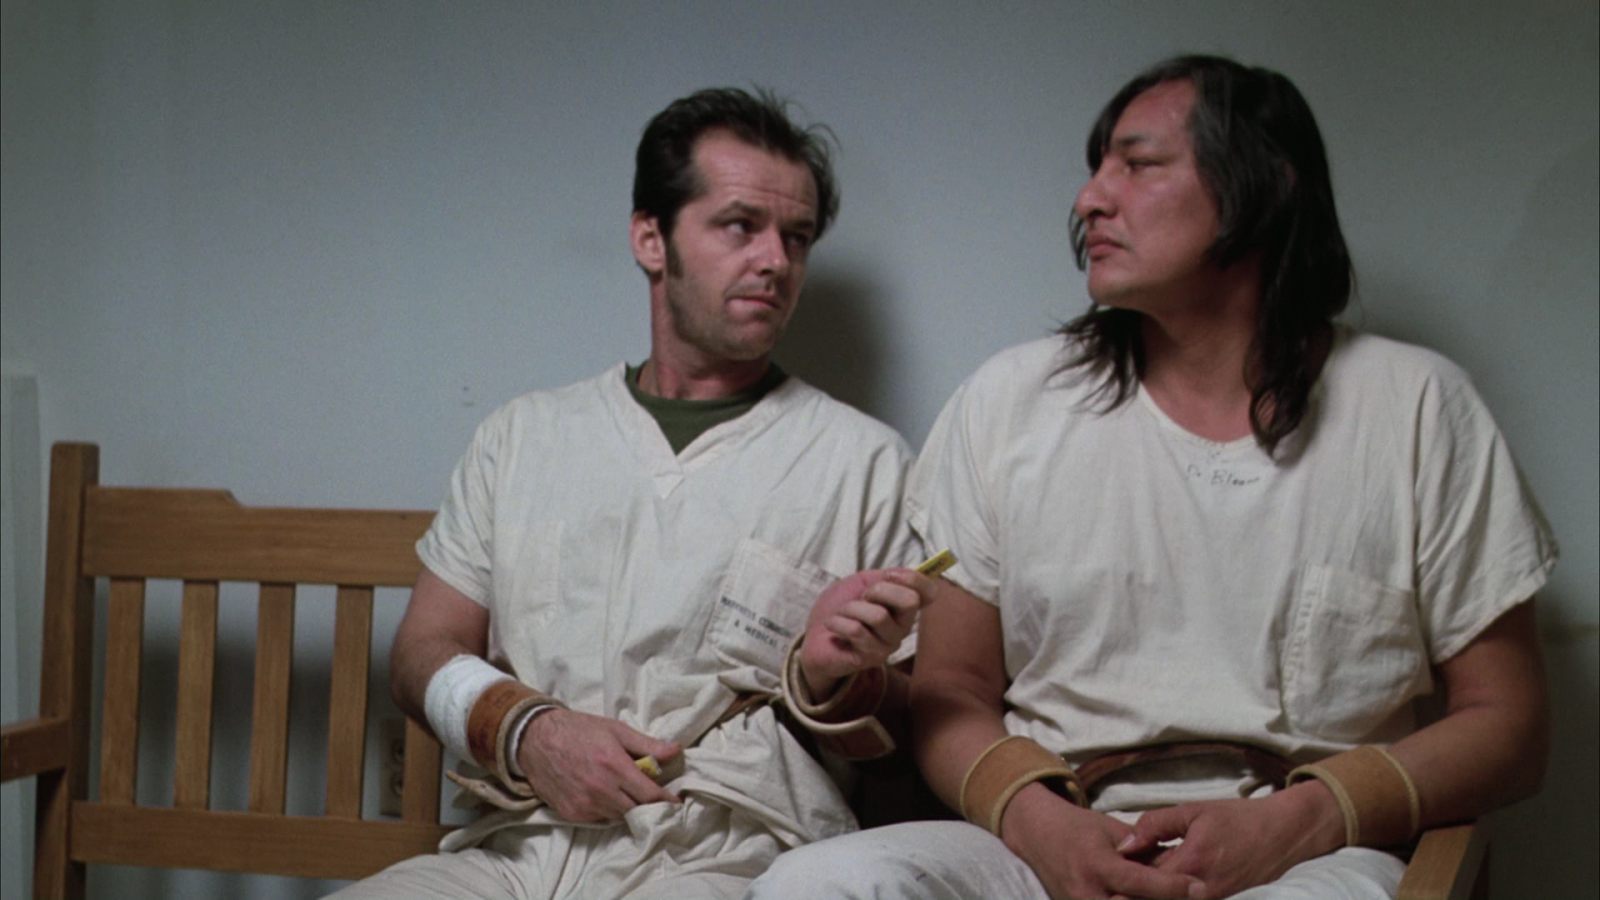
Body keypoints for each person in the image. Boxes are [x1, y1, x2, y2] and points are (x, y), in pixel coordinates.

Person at [745, 54, 1555, 900]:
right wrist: (1041, 827)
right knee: (813, 886)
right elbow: (952, 689)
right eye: (1096, 169)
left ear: (1263, 187)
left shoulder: (1416, 406)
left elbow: (1511, 726)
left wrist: (1304, 819)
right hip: (1053, 831)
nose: (1088, 199)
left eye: (1137, 165)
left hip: (1309, 852)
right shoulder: (1008, 402)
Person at [329, 87, 925, 900]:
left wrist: (837, 682)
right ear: (651, 238)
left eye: (797, 237)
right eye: (740, 225)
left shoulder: (864, 465)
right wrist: (527, 731)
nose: (776, 262)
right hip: (515, 850)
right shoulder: (523, 437)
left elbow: (905, 740)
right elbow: (420, 654)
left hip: (728, 861)